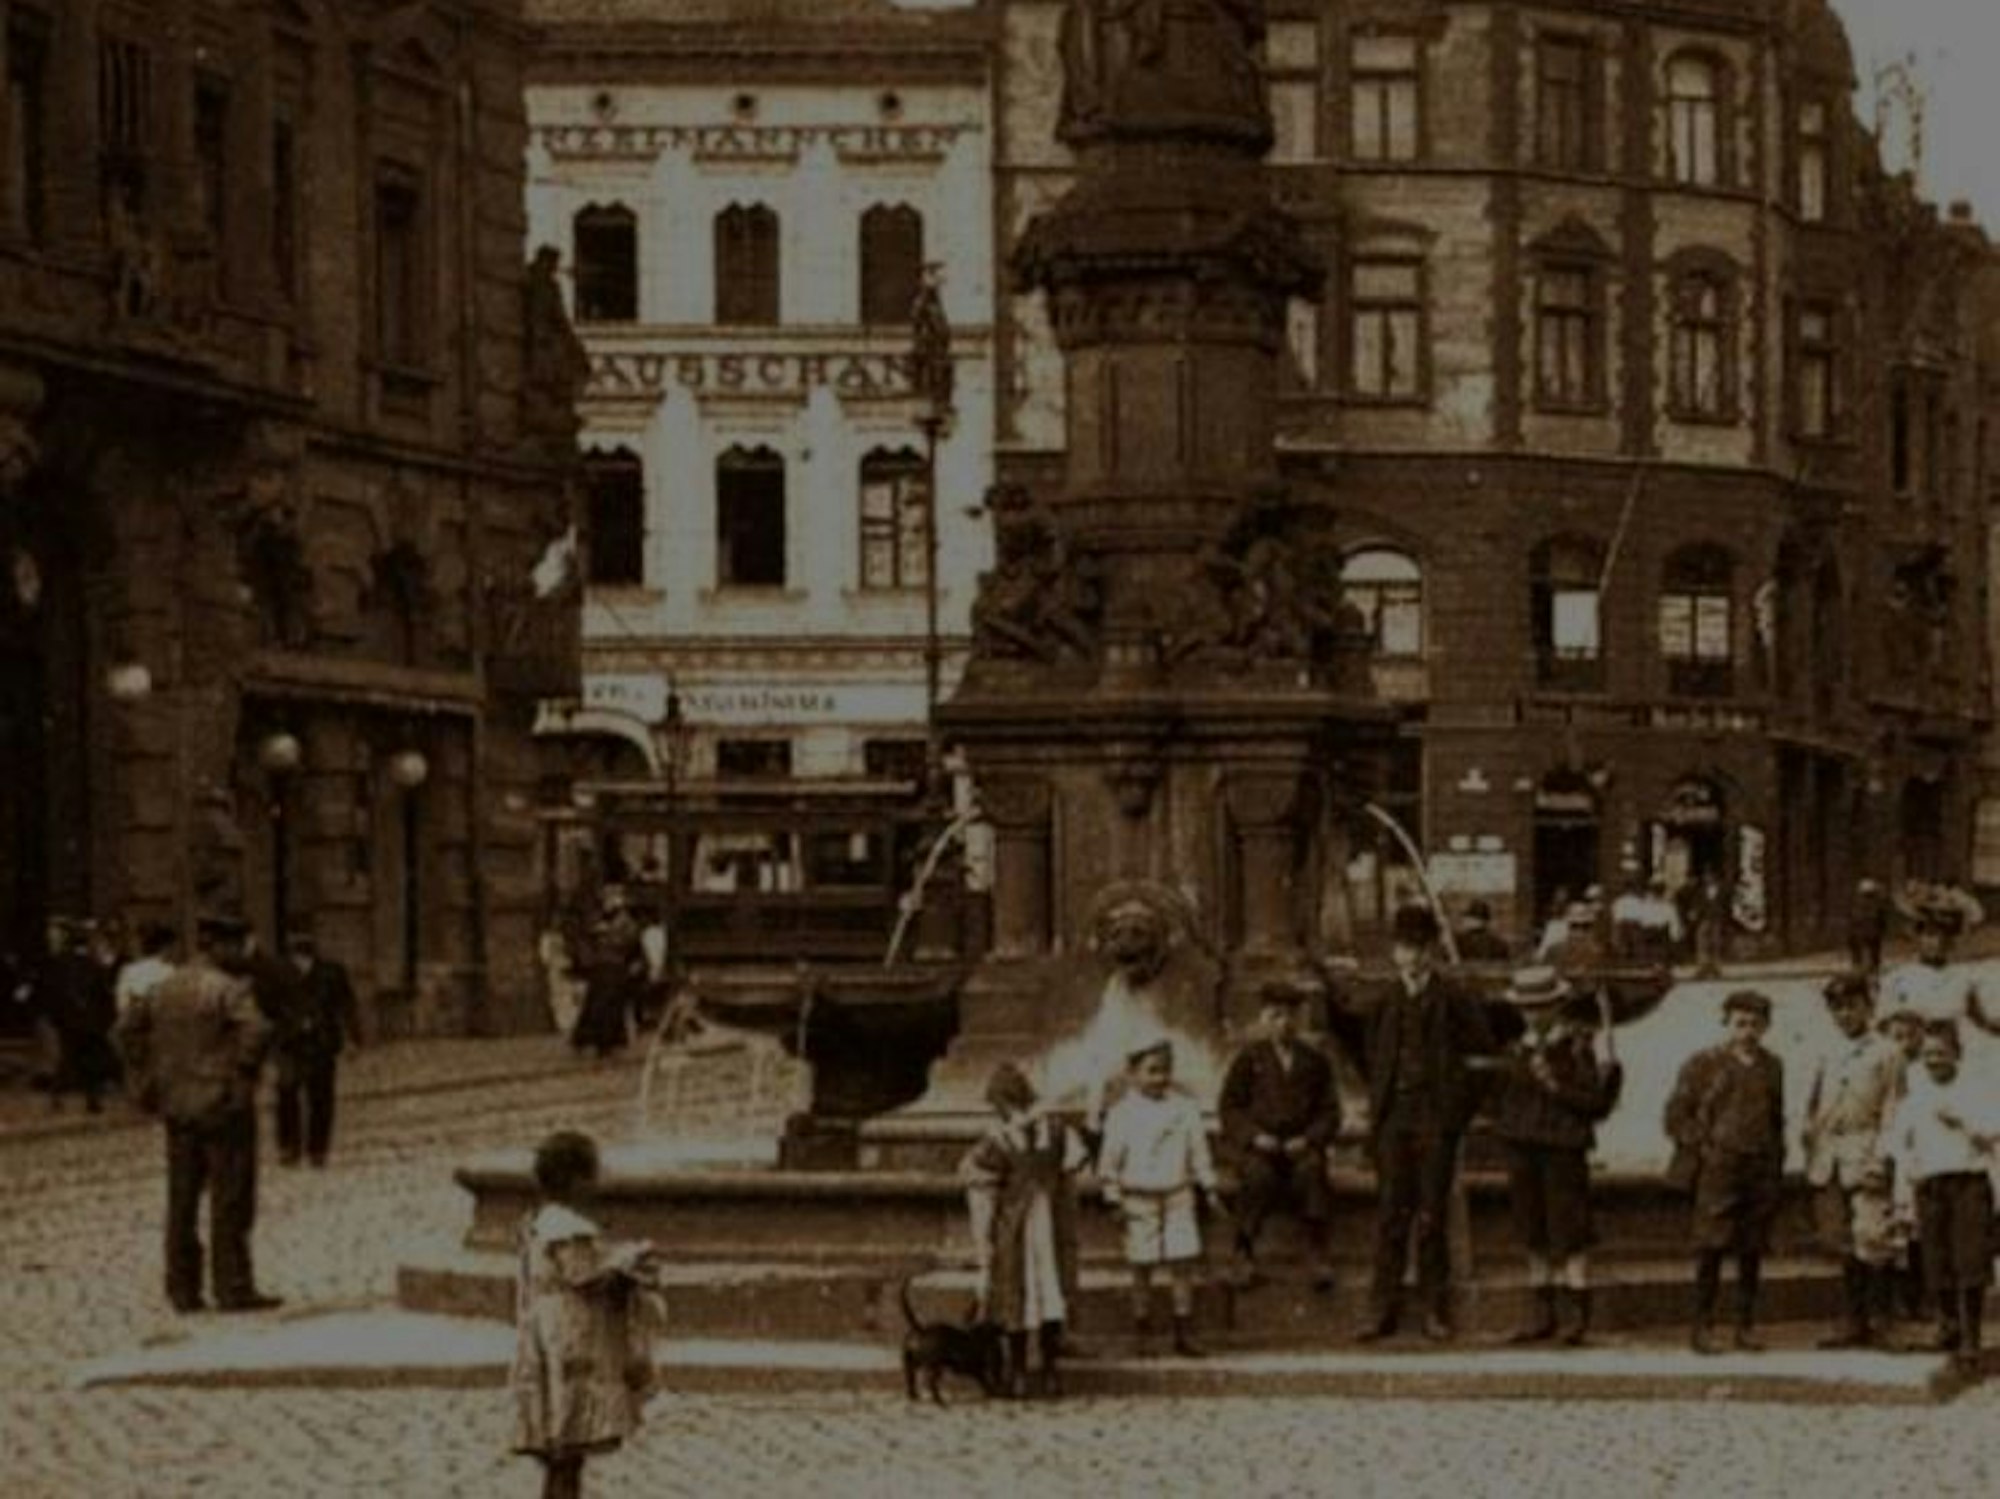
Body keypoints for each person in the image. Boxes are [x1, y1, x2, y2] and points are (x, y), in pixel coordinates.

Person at [1330, 903, 1499, 1343]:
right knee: (1390, 1214)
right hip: (1393, 1121)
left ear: (1432, 951)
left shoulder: (1455, 999)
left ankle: (1432, 1308)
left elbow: (1483, 1060)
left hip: (1436, 1121)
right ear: (1395, 952)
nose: (1412, 957)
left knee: (1431, 1215)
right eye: (1405, 948)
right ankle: (1379, 1309)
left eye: (1419, 948)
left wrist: (1456, 1113)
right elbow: (1369, 1056)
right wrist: (1381, 1098)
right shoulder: (1384, 1002)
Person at [113, 913, 282, 1314]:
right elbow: (257, 1030)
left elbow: (124, 1033)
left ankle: (183, 1290)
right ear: (220, 946)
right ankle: (233, 1287)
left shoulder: (164, 988)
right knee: (231, 1199)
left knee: (182, 1201)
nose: (243, 953)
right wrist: (241, 1074)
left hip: (178, 1107)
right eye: (238, 945)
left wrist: (148, 1079)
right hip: (223, 1106)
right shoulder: (227, 988)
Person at [511, 1129, 664, 1498]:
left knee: (558, 1446)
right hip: (571, 1341)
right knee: (569, 1444)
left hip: (544, 1335)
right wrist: (629, 1266)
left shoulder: (538, 1221)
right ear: (576, 1182)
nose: (597, 1184)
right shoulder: (568, 1229)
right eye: (593, 1175)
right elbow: (585, 1277)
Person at [1486, 967, 1623, 1346]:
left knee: (1571, 1230)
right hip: (1523, 1145)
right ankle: (1540, 1313)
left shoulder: (1579, 1046)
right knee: (1532, 1230)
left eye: (1541, 1006)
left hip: (1563, 1147)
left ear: (1557, 1006)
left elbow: (1597, 1103)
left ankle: (1576, 1312)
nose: (1533, 1015)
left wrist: (1555, 1086)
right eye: (1527, 1008)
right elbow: (1502, 1096)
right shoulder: (1517, 1049)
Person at [1663, 989, 1784, 1354]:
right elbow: (1675, 1115)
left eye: (1755, 1024)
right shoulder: (1704, 1064)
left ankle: (1744, 1326)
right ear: (1726, 1023)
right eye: (1740, 1023)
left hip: (1758, 1166)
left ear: (1766, 1026)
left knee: (1751, 1249)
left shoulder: (1772, 1065)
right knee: (1711, 1245)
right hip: (1719, 1167)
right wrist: (1704, 1146)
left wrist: (1776, 1161)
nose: (1747, 1031)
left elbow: (1776, 1117)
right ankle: (1702, 1326)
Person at [960, 1062, 1088, 1398]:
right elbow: (1072, 1172)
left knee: (1035, 1294)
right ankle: (1038, 1371)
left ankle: (1036, 1370)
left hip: (1029, 1228)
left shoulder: (1008, 1138)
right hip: (1029, 1229)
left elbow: (982, 1192)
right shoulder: (1041, 1133)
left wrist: (984, 1241)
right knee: (1034, 1294)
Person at [1884, 1021, 1997, 1377]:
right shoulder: (1915, 1097)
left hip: (1968, 1181)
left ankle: (1971, 1338)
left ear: (1957, 1055)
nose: (1934, 1060)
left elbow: (1993, 1133)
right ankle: (1947, 1327)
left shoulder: (1976, 1090)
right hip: (1930, 1185)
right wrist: (1903, 1191)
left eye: (1942, 1054)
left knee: (1970, 1259)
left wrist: (1961, 1121)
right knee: (1937, 1258)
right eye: (1929, 1054)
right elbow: (1899, 1145)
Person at [1802, 972, 1906, 1348]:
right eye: (1838, 1008)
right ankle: (1853, 1320)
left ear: (1869, 1006)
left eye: (1853, 1006)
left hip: (1866, 1151)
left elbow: (1894, 1108)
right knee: (1840, 1238)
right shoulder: (1825, 1050)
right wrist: (1810, 1143)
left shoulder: (1887, 1052)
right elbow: (1813, 1104)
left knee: (1873, 1237)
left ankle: (1882, 1321)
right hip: (1829, 1155)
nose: (1846, 1014)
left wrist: (1884, 1155)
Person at [1216, 980, 1341, 1291]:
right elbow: (1229, 1108)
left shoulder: (1314, 1062)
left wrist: (1310, 1138)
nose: (1283, 1024)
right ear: (1263, 1019)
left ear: (1298, 1020)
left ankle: (1316, 1253)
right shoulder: (1249, 1060)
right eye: (1275, 1016)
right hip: (1262, 1147)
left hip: (1300, 1145)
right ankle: (1244, 1251)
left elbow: (1331, 1112)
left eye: (1289, 1017)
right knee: (1256, 1176)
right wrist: (1254, 1136)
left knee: (1312, 1171)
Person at [1097, 1039, 1217, 1359]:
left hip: (1178, 1194)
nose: (1159, 1078)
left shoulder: (1185, 1109)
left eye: (1164, 1071)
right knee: (1142, 1265)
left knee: (1182, 1263)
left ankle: (1183, 1331)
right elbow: (1109, 1163)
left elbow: (1198, 1153)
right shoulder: (1122, 1114)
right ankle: (1142, 1331)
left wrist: (1209, 1185)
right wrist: (1113, 1198)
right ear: (1133, 1074)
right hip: (1138, 1197)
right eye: (1151, 1071)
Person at [275, 929, 363, 1168]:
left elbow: (347, 1006)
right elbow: (267, 1007)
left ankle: (317, 1150)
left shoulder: (331, 972)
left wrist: (353, 1039)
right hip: (288, 1043)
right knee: (287, 1091)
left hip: (321, 1043)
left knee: (321, 1098)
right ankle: (289, 1147)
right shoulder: (278, 972)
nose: (300, 956)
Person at [1880, 904, 1998, 1037]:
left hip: (1957, 1048)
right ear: (1918, 938)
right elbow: (1883, 1025)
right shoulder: (1898, 978)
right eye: (1930, 935)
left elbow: (1981, 1021)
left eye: (1944, 936)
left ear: (1951, 942)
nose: (1936, 942)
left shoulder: (1964, 977)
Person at [43, 918, 119, 1114]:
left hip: (67, 1021)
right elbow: (104, 994)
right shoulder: (93, 966)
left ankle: (56, 1097)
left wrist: (55, 1018)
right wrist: (107, 1019)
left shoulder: (58, 964)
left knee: (67, 1057)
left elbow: (51, 992)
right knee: (90, 1060)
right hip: (90, 1021)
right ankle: (92, 1099)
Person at [115, 921, 178, 1022]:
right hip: (163, 1029)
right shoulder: (171, 971)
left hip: (135, 1029)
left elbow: (122, 1008)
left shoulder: (128, 971)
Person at [1847, 878, 1890, 978]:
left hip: (1860, 934)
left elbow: (1852, 921)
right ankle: (1871, 969)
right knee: (1873, 953)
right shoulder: (1878, 903)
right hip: (1870, 934)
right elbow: (1882, 920)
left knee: (1860, 954)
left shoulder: (1856, 903)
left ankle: (1859, 968)